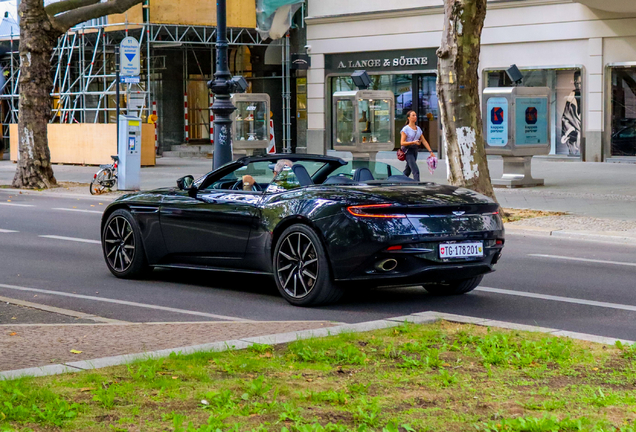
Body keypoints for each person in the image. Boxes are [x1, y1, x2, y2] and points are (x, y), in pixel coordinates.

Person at [400, 110, 435, 181]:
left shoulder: (418, 129)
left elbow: (424, 141)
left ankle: (399, 180)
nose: (415, 117)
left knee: (408, 170)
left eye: (415, 115)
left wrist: (430, 151)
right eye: (413, 115)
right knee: (415, 170)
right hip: (408, 151)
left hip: (415, 150)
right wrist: (413, 142)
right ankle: (417, 184)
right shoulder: (405, 129)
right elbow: (402, 142)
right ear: (408, 118)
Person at [560, 70, 582, 156]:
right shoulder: (571, 98)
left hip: (584, 138)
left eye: (580, 82)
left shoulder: (589, 96)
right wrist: (570, 130)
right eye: (576, 82)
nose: (577, 85)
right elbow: (564, 118)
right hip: (573, 139)